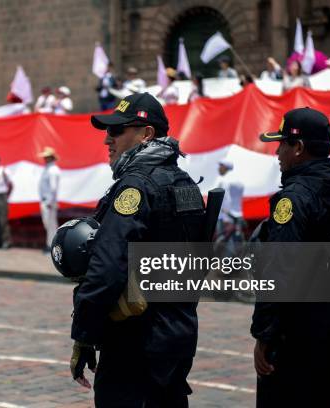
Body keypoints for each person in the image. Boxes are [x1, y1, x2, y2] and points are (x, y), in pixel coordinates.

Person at [70, 93, 207, 406]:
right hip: (177, 334)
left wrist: (85, 334)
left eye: (118, 130)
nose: (108, 139)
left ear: (147, 134)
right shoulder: (185, 184)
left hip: (136, 342)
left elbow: (107, 267)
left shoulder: (136, 186)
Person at [253, 107, 330, 407]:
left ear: (298, 148)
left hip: (293, 333)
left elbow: (278, 272)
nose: (277, 151)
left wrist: (264, 335)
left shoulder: (294, 198)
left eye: (282, 143)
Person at [37, 147, 60, 253]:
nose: (45, 159)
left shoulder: (53, 170)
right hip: (45, 201)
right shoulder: (48, 169)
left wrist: (50, 202)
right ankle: (50, 244)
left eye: (47, 157)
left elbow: (53, 188)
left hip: (48, 201)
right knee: (48, 224)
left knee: (50, 225)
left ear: (51, 157)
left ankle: (52, 245)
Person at [214, 158, 244, 236]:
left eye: (221, 166)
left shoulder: (224, 181)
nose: (218, 168)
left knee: (225, 245)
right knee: (237, 244)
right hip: (237, 216)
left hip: (226, 219)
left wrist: (226, 219)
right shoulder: (238, 180)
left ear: (225, 167)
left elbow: (226, 200)